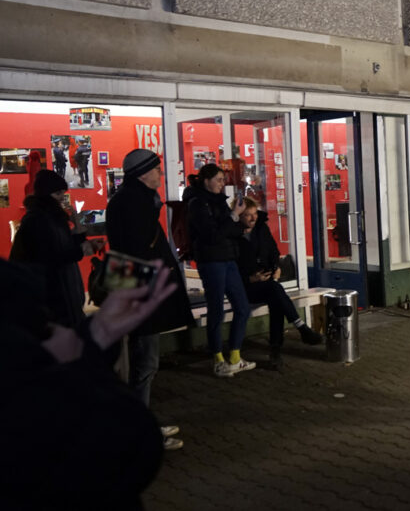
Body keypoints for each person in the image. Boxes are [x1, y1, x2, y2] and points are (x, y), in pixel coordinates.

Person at [0, 257, 176, 511]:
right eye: (46, 329)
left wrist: (95, 337)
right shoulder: (35, 403)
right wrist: (74, 366)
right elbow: (134, 446)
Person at [106, 149, 195, 450]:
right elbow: (139, 251)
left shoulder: (129, 201)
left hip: (134, 289)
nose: (160, 174)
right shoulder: (136, 203)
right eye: (156, 169)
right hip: (141, 291)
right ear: (143, 173)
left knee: (142, 360)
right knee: (144, 362)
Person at [234, 196, 323, 368]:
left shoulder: (261, 229)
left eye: (254, 214)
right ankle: (298, 330)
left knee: (275, 298)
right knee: (275, 293)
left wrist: (276, 268)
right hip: (244, 287)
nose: (253, 218)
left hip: (267, 282)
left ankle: (277, 350)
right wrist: (250, 278)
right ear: (238, 216)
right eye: (248, 215)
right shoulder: (232, 236)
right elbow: (230, 268)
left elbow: (273, 250)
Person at [185, 164, 254, 377]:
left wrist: (234, 223)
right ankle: (218, 359)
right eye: (219, 179)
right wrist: (233, 216)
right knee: (216, 309)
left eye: (224, 180)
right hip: (211, 261)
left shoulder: (219, 202)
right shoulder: (197, 203)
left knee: (242, 306)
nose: (222, 184)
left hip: (228, 258)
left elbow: (229, 230)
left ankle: (234, 356)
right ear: (206, 180)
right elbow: (212, 236)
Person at [9, 170, 102, 328]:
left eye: (63, 193)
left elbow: (66, 244)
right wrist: (81, 250)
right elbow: (52, 257)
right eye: (58, 193)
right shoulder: (37, 220)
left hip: (59, 293)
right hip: (49, 296)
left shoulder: (53, 217)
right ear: (46, 194)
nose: (62, 198)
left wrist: (77, 223)